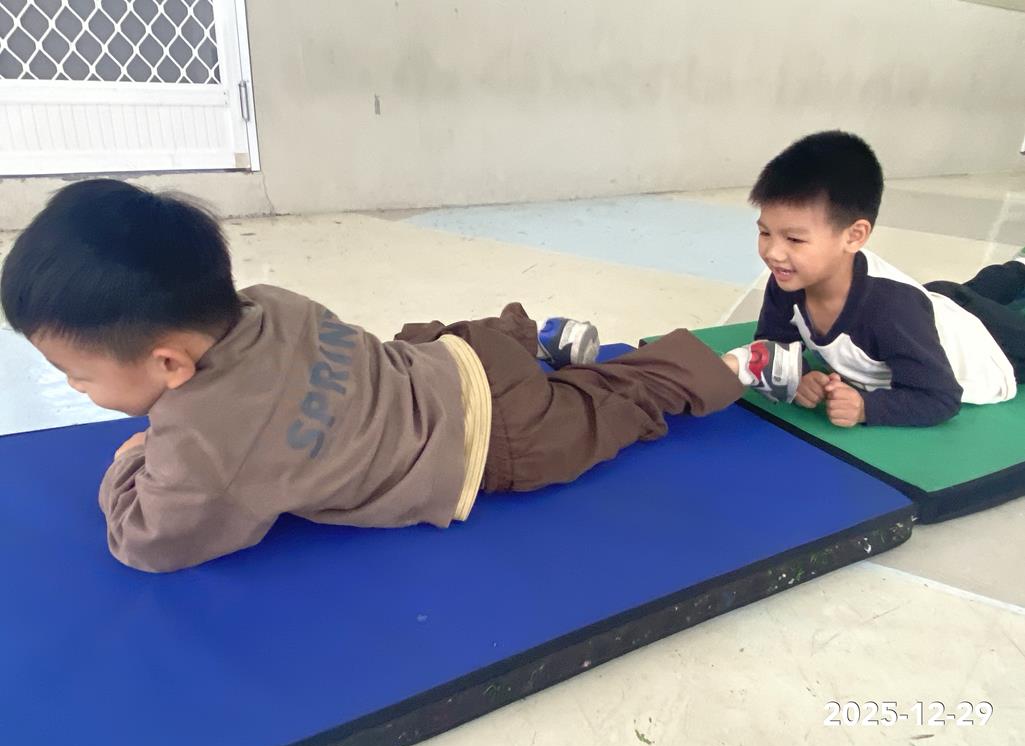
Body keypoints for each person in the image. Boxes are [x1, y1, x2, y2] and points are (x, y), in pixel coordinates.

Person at [0, 179, 743, 572]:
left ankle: (726, 367)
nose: (76, 389)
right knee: (405, 342)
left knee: (615, 403)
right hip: (464, 352)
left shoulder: (208, 453)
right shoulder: (268, 301)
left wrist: (129, 463)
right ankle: (539, 338)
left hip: (501, 442)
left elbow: (148, 542)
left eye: (77, 374)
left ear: (169, 362)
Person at [722, 130, 1021, 428]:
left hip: (989, 345)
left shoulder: (891, 312)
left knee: (969, 306)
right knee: (959, 293)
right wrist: (799, 376)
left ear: (854, 236)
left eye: (794, 239)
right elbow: (775, 341)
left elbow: (941, 397)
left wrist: (866, 408)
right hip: (934, 308)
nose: (773, 253)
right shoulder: (790, 278)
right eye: (765, 232)